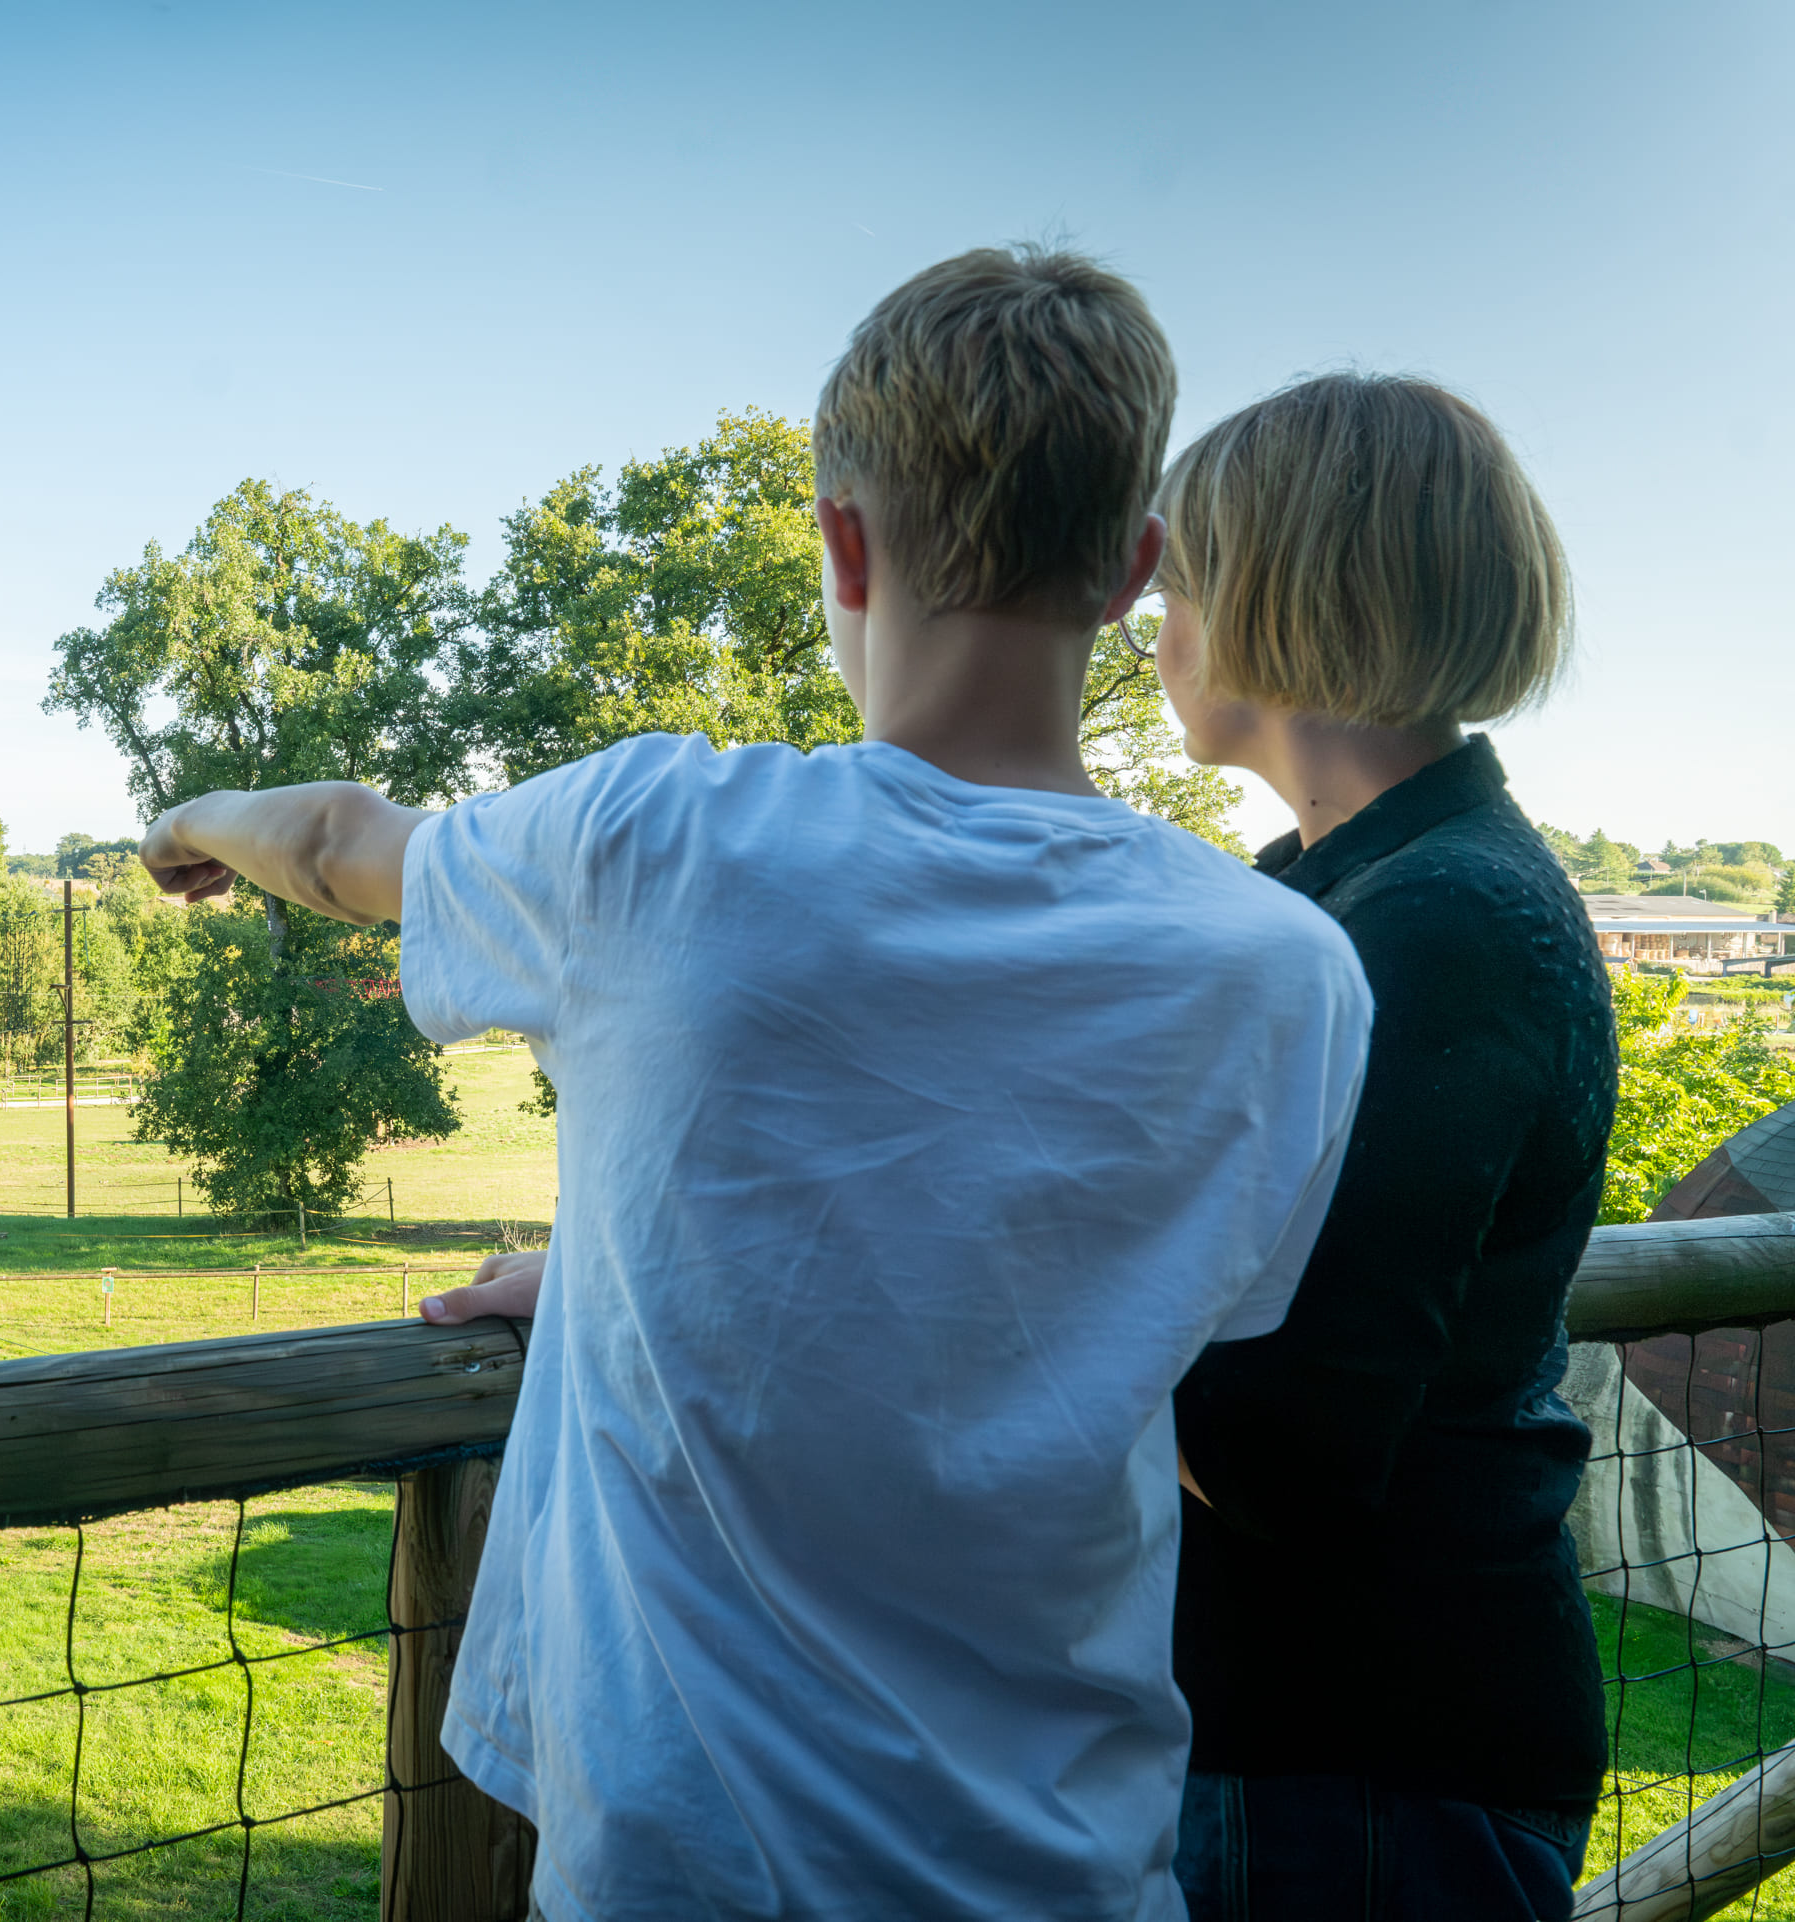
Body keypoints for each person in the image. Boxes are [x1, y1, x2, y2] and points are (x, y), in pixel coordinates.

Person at [141, 245, 1372, 1920]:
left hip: (686, 1873)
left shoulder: (655, 844)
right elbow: (1069, 1305)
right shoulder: (1282, 969)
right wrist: (620, 1280)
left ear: (843, 543)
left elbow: (345, 842)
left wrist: (193, 816)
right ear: (1133, 567)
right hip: (1074, 1872)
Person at [1154, 375, 1613, 1919]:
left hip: (1363, 1767)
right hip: (1324, 1750)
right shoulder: (1346, 891)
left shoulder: (1440, 921)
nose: (1156, 613)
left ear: (1281, 594)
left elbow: (1276, 1448)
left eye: (1184, 571)